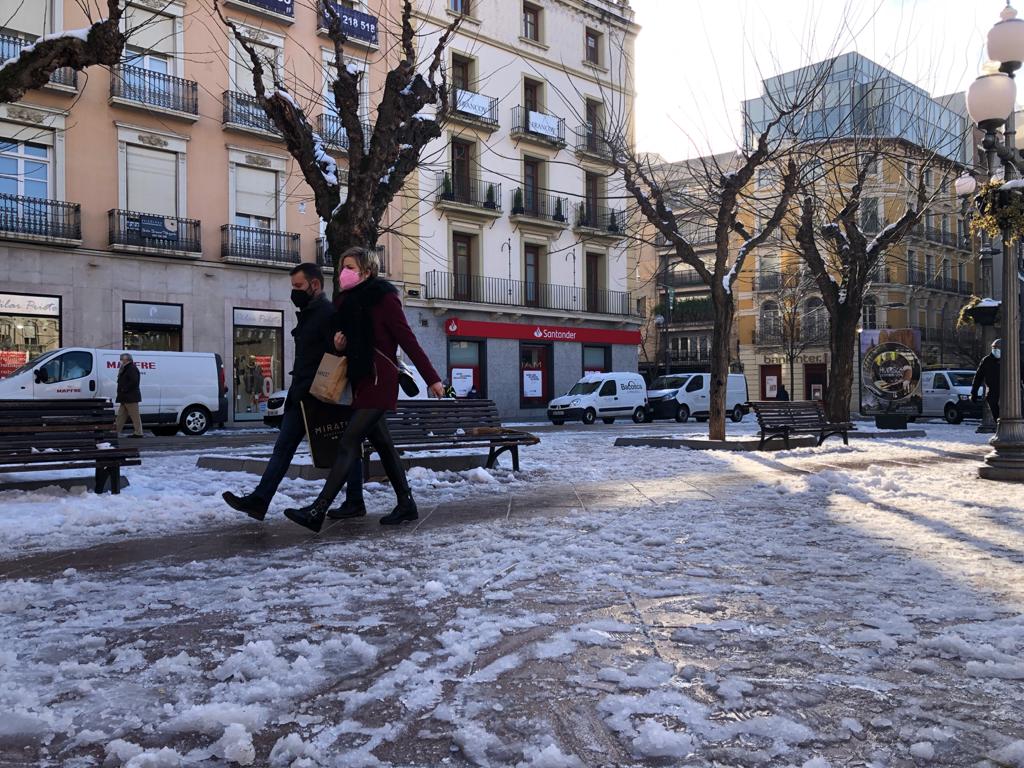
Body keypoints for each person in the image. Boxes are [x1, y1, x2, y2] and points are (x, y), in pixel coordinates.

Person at [284, 246, 444, 532]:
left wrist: (432, 378)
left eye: (350, 267)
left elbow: (407, 340)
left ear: (367, 271)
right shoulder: (345, 301)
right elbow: (342, 343)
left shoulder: (384, 299)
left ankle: (317, 510)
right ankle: (406, 503)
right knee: (384, 445)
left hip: (380, 381)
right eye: (342, 266)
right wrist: (338, 344)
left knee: (348, 442)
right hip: (360, 380)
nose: (344, 272)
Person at [222, 263, 364, 521]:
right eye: (292, 287)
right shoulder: (311, 312)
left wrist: (337, 351)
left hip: (317, 395)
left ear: (315, 285)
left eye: (298, 286)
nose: (294, 292)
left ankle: (353, 500)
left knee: (340, 446)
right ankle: (260, 500)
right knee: (299, 447)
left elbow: (338, 352)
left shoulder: (326, 314)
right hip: (303, 393)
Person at [114, 353, 144, 438]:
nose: (120, 361)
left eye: (122, 359)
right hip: (125, 397)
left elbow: (134, 381)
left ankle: (139, 433)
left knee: (135, 416)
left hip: (130, 397)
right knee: (121, 416)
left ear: (127, 360)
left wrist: (124, 389)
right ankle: (115, 432)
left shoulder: (131, 368)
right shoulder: (126, 368)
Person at [972, 338, 1003, 420]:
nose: (996, 350)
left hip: (1008, 392)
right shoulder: (987, 360)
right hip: (992, 392)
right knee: (996, 416)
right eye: (994, 348)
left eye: (998, 348)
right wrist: (974, 392)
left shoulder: (1010, 359)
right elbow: (978, 377)